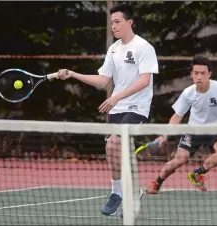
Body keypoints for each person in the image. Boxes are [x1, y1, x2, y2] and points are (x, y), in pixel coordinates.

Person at [57, 3, 158, 216]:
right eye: (112, 22)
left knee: (114, 142)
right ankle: (120, 193)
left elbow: (144, 81)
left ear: (130, 22)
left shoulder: (144, 47)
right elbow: (103, 81)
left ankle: (123, 192)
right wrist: (74, 74)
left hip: (137, 107)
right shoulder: (113, 49)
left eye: (118, 22)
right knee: (112, 149)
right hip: (117, 107)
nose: (114, 26)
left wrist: (116, 96)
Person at [146, 56, 217, 194]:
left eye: (203, 73)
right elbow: (177, 116)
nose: (199, 76)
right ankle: (157, 182)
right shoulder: (188, 93)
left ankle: (198, 173)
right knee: (180, 159)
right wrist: (165, 136)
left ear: (209, 74)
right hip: (194, 129)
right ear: (192, 74)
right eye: (196, 73)